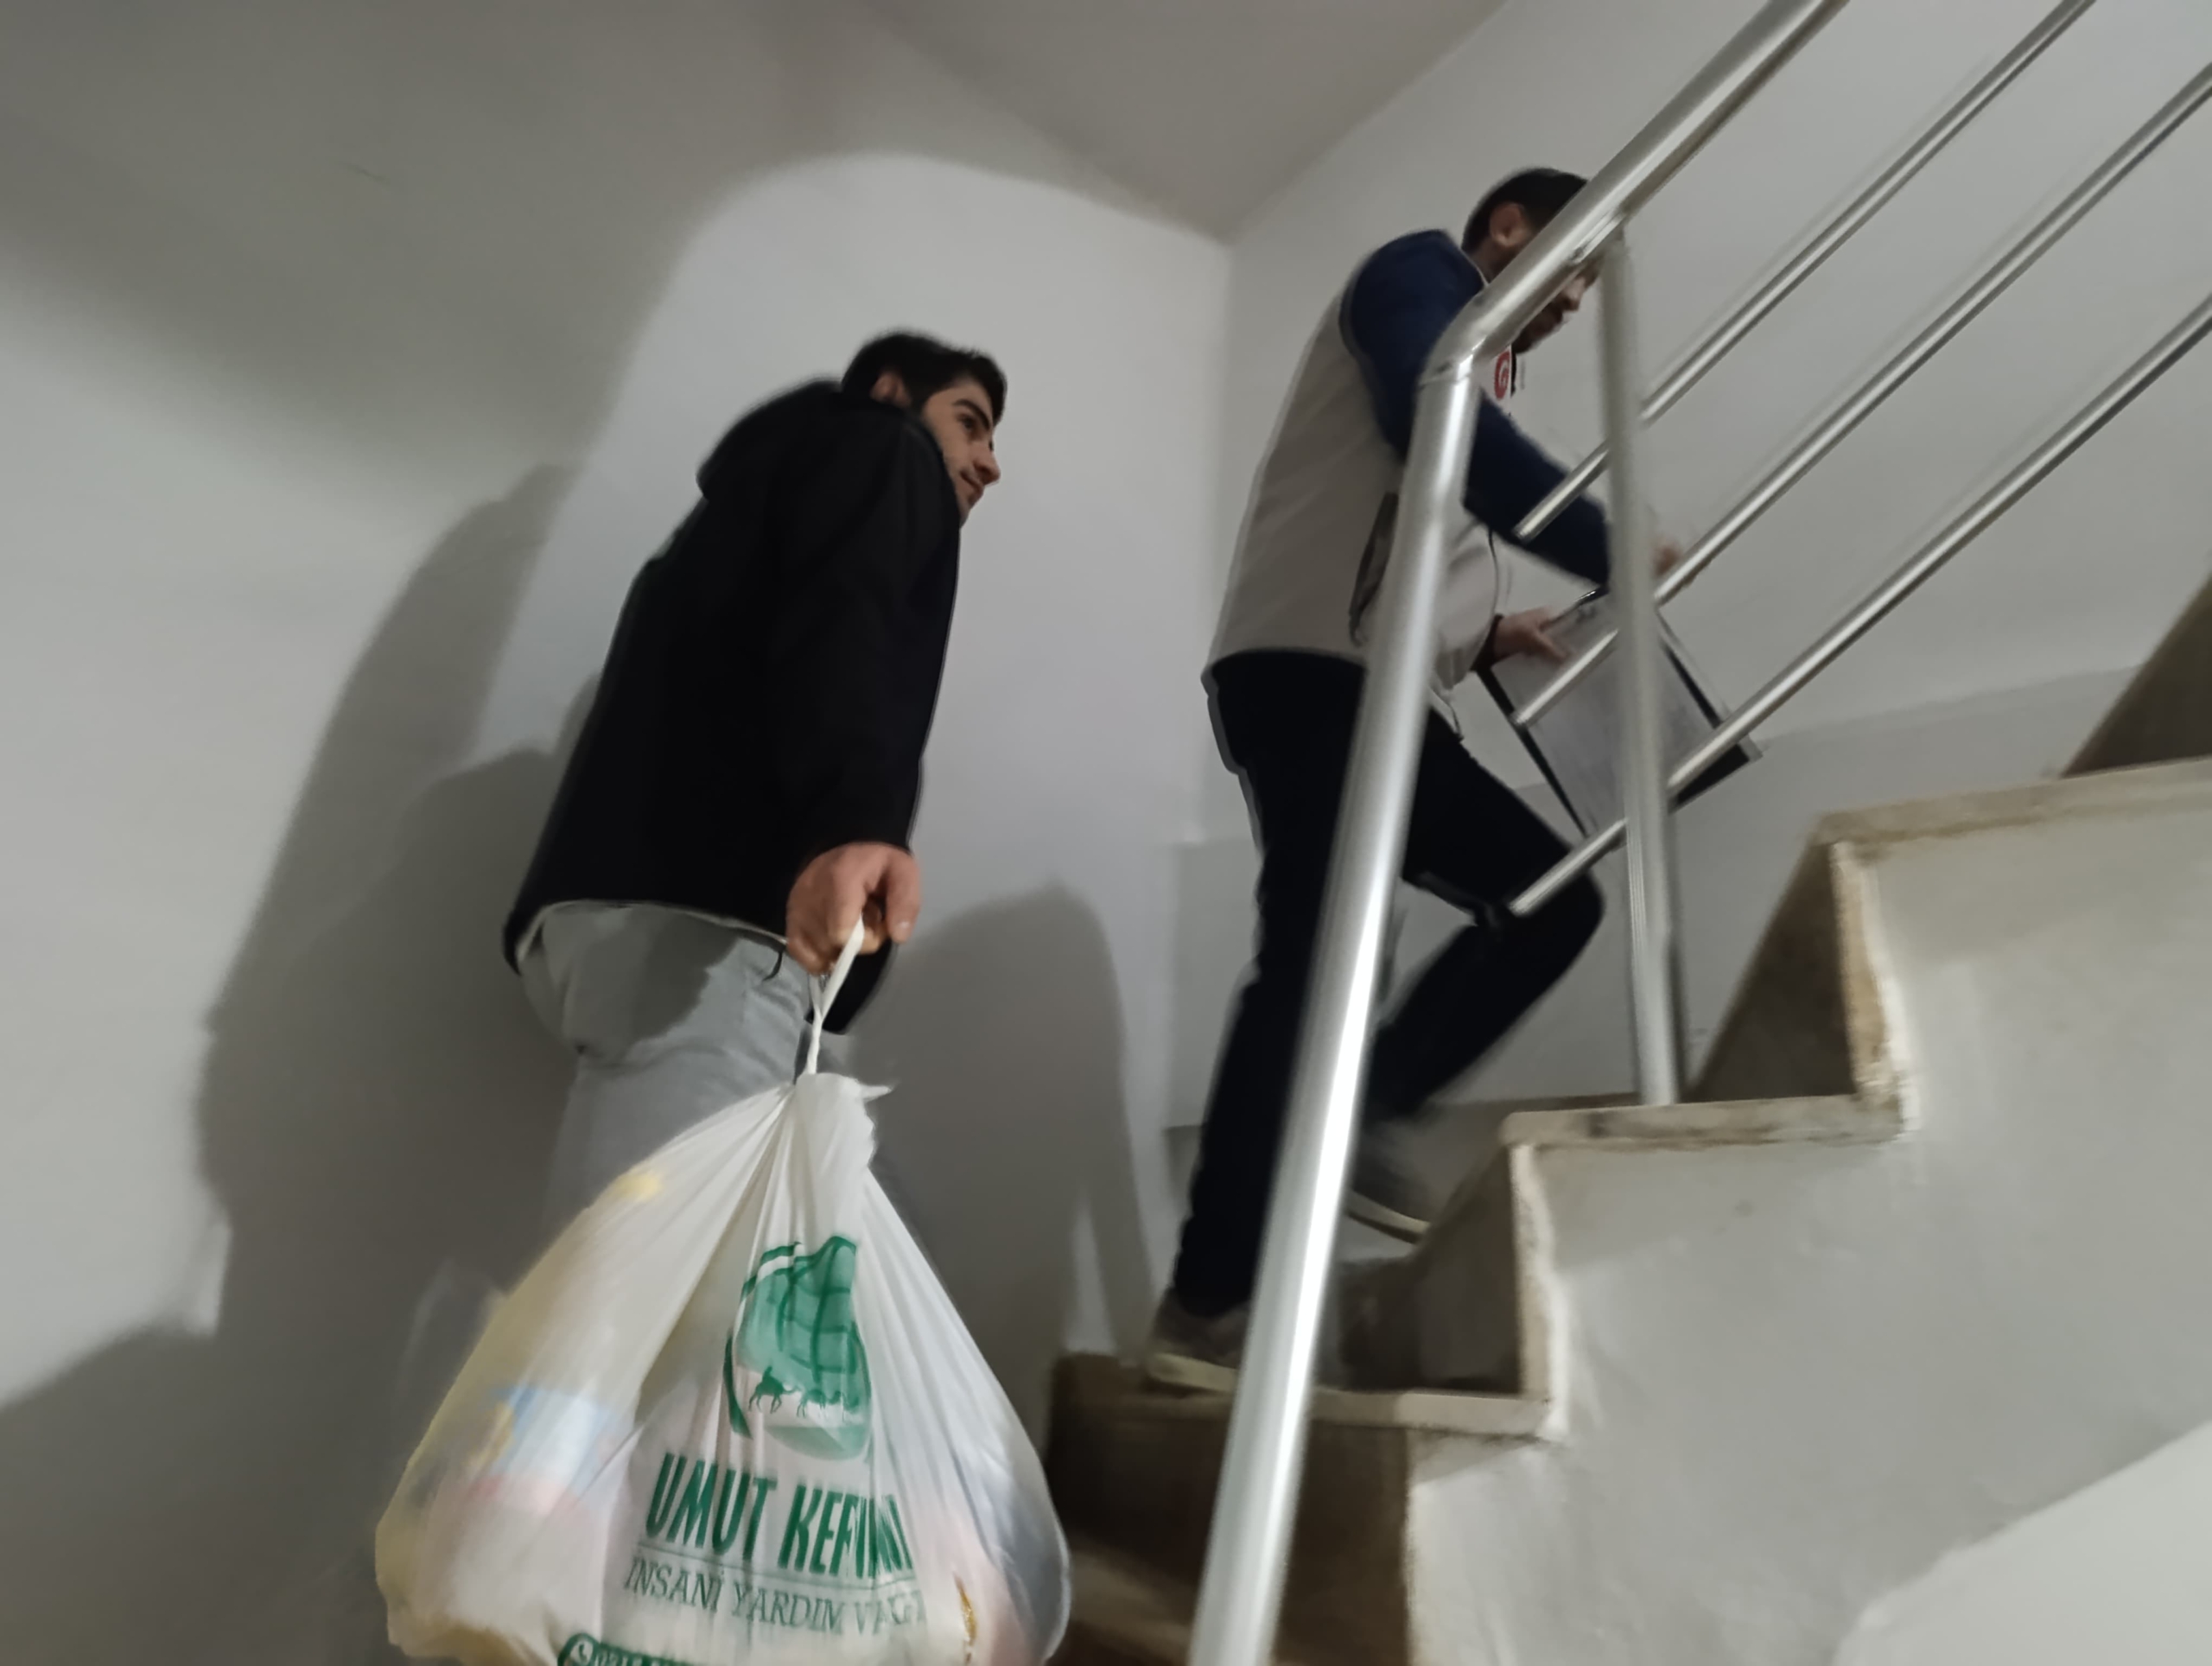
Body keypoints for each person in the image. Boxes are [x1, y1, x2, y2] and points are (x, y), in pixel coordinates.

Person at [1154, 169, 1672, 1387]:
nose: (1574, 302)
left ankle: (1285, 1204)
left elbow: (1391, 552)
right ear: (1508, 228)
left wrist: (1484, 636)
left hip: (1372, 688)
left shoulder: (1470, 356)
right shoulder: (1419, 277)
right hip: (1311, 679)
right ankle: (1222, 1279)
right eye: (1571, 268)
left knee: (1534, 902)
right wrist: (1605, 542)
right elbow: (1432, 431)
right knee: (1328, 956)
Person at [505, 331, 1005, 1234]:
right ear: (891, 391)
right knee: (654, 1291)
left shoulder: (751, 502)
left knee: (855, 1251)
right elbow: (841, 625)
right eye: (969, 422)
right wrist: (852, 821)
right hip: (714, 941)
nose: (989, 462)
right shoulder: (880, 447)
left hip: (638, 926)